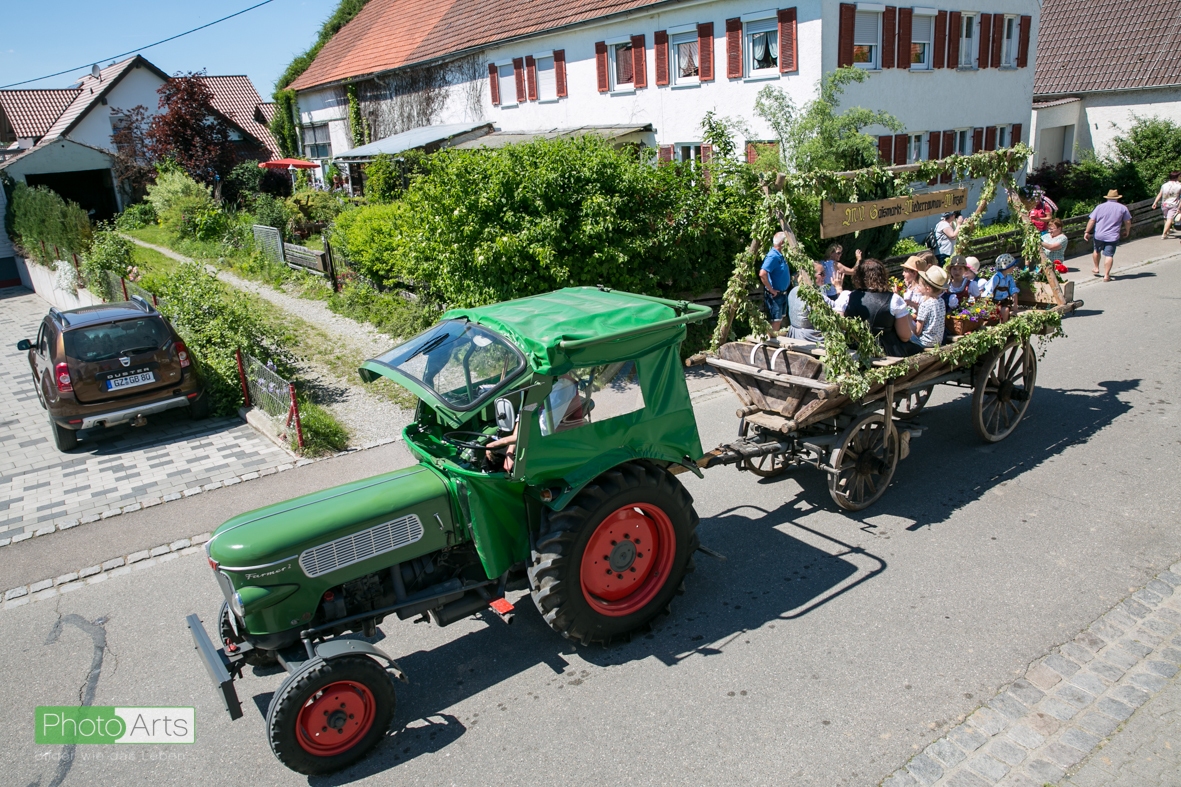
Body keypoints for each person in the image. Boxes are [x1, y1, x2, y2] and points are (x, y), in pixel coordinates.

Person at [834, 258, 918, 357]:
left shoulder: (846, 296)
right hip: (886, 353)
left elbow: (837, 327)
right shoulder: (894, 299)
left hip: (853, 351)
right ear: (882, 276)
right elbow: (905, 336)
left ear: (858, 277)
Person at [1084, 190, 1132, 281]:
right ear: (1117, 198)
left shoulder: (1099, 207)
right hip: (1112, 236)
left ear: (1107, 197)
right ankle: (1106, 275)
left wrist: (1087, 231)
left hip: (1099, 234)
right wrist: (1127, 230)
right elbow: (1128, 221)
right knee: (1109, 255)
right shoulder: (1123, 208)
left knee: (1096, 250)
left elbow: (1092, 220)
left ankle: (1096, 267)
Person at [759, 231, 791, 331]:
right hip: (775, 295)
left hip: (782, 293)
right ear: (782, 242)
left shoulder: (780, 255)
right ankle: (772, 343)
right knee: (775, 321)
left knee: (779, 320)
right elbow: (762, 273)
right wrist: (771, 290)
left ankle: (774, 341)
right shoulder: (773, 256)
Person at [910, 266, 948, 348]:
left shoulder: (925, 304)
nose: (918, 287)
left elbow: (917, 331)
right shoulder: (941, 301)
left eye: (919, 286)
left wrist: (908, 318)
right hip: (937, 342)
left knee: (904, 335)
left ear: (928, 289)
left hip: (924, 342)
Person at [982, 253, 1020, 321]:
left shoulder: (1009, 278)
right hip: (994, 301)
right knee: (995, 312)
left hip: (1004, 301)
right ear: (1007, 267)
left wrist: (1015, 305)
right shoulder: (996, 278)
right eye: (1012, 266)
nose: (1014, 267)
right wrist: (986, 304)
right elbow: (988, 291)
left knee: (1005, 310)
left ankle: (1003, 326)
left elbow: (1014, 291)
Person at [1152, 171, 1181, 239]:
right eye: (1180, 176)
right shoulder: (1179, 186)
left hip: (1164, 204)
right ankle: (1164, 234)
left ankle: (1167, 231)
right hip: (1174, 204)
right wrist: (1179, 208)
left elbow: (1160, 194)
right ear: (1177, 177)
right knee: (1169, 219)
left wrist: (1155, 202)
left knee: (1166, 218)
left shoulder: (1164, 185)